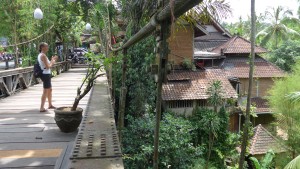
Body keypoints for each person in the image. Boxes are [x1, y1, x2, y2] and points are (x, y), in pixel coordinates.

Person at [38, 42, 58, 112]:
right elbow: (48, 66)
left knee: (50, 89)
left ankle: (50, 104)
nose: (48, 48)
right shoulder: (43, 55)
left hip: (46, 74)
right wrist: (53, 61)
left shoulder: (42, 55)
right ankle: (41, 107)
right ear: (42, 47)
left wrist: (52, 60)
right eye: (46, 46)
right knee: (45, 91)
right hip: (45, 74)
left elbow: (47, 65)